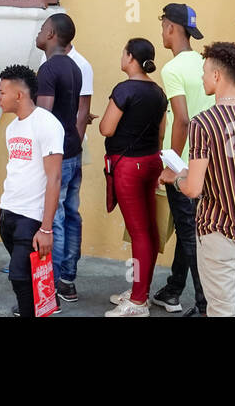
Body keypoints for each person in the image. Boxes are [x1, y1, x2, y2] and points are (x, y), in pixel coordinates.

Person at [161, 41, 235, 318]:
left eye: (204, 72)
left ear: (216, 75)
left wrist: (175, 178)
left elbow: (193, 188)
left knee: (222, 306)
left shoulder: (203, 122)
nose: (202, 77)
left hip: (217, 226)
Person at [99, 38, 166, 315]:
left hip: (128, 166)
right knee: (148, 230)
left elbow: (106, 128)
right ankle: (142, 291)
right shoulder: (158, 92)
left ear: (130, 58)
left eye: (123, 52)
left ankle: (138, 302)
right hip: (151, 161)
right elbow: (161, 132)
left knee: (139, 232)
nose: (122, 57)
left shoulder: (124, 90)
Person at [154, 2, 209, 316]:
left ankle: (204, 305)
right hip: (208, 164)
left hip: (185, 167)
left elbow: (183, 120)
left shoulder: (172, 69)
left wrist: (170, 165)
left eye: (163, 26)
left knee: (191, 237)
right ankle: (174, 288)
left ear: (171, 28)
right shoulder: (205, 63)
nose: (162, 32)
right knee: (191, 232)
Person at [0, 64, 63, 317]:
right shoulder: (12, 128)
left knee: (19, 276)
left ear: (19, 95)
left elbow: (54, 177)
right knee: (29, 277)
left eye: (2, 92)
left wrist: (46, 228)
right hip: (8, 212)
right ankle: (40, 304)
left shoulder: (47, 124)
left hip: (31, 217)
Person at [34, 12, 85, 302]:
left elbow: (43, 118)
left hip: (57, 154)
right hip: (73, 148)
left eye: (42, 28)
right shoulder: (74, 67)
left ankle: (49, 285)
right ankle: (67, 279)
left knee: (54, 218)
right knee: (71, 215)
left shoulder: (49, 70)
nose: (38, 33)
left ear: (52, 33)